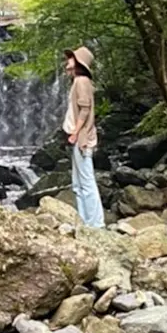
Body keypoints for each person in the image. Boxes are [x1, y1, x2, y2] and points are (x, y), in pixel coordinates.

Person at [63, 46, 105, 228]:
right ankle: (85, 221)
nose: (67, 64)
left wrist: (76, 133)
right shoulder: (79, 81)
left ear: (78, 62)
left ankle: (96, 223)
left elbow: (85, 109)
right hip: (80, 137)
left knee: (86, 182)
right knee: (78, 184)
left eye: (71, 59)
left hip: (82, 138)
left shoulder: (81, 81)